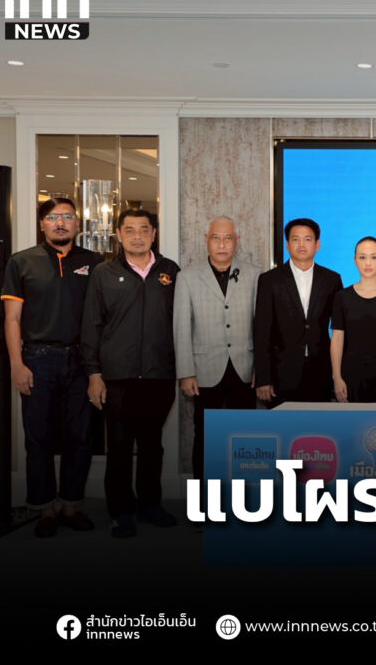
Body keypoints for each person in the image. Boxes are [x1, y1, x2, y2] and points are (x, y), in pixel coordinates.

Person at [2, 198, 102, 537]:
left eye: (67, 217)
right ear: (42, 223)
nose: (60, 222)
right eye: (53, 217)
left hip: (81, 361)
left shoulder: (94, 263)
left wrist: (97, 369)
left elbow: (101, 317)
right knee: (38, 439)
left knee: (80, 437)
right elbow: (12, 319)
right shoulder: (21, 262)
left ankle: (71, 504)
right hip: (37, 359)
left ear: (77, 223)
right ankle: (43, 507)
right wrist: (16, 363)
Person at [81, 209, 180, 538]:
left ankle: (150, 505)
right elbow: (92, 324)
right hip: (117, 377)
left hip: (159, 376)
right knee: (120, 447)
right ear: (119, 235)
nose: (138, 236)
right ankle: (121, 511)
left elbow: (180, 323)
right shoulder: (104, 273)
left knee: (152, 445)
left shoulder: (170, 271)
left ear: (154, 234)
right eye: (130, 230)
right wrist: (94, 373)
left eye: (144, 229)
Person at [173, 216, 258, 481]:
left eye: (228, 238)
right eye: (216, 238)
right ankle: (203, 501)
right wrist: (186, 372)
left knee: (244, 438)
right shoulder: (187, 277)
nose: (222, 244)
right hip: (203, 370)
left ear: (237, 241)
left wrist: (262, 369)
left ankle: (241, 499)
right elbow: (181, 327)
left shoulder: (255, 275)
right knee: (205, 437)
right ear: (206, 240)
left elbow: (262, 325)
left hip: (245, 369)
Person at [254, 218, 342, 405]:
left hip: (320, 370)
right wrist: (263, 377)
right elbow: (262, 331)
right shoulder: (269, 280)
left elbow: (340, 328)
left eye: (307, 239)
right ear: (287, 245)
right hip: (281, 372)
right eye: (295, 239)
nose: (301, 244)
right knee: (283, 423)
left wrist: (339, 374)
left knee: (319, 423)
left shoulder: (332, 279)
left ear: (317, 245)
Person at [330, 236, 376, 403]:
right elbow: (337, 338)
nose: (368, 263)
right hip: (350, 373)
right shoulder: (342, 297)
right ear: (355, 260)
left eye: (374, 257)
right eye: (362, 257)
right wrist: (337, 377)